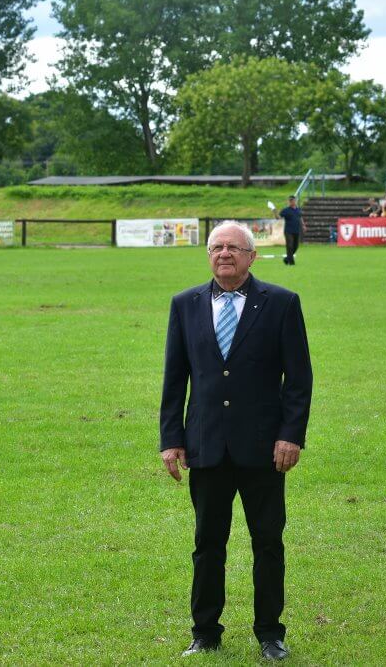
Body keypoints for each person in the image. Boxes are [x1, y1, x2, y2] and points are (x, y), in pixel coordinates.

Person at [159, 221, 313, 661]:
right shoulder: (185, 304)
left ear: (252, 256)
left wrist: (291, 435)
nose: (224, 253)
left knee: (268, 542)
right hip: (206, 446)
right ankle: (205, 632)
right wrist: (172, 439)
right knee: (208, 544)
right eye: (216, 247)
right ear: (208, 255)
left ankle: (270, 633)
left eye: (234, 247)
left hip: (265, 448)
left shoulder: (281, 303)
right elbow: (175, 380)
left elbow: (298, 379)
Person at [279, 195, 306, 266]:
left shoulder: (298, 209)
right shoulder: (285, 210)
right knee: (290, 246)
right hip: (288, 231)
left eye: (293, 200)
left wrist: (303, 225)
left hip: (297, 230)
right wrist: (274, 211)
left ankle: (287, 259)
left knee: (296, 246)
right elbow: (278, 217)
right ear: (289, 201)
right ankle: (291, 263)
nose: (291, 202)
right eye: (290, 200)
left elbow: (300, 217)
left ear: (295, 201)